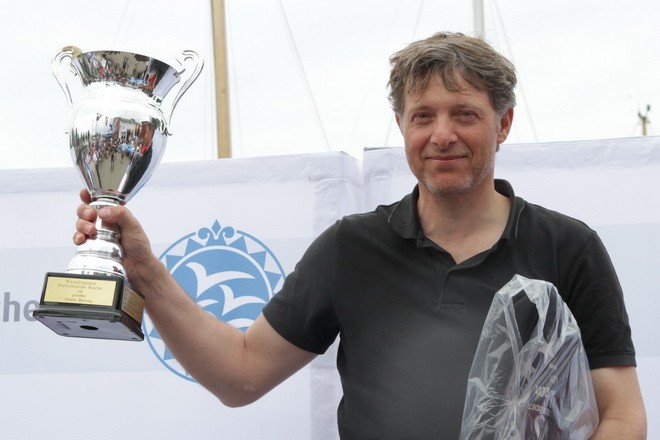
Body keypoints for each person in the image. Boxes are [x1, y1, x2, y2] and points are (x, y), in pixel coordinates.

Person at [74, 32, 647, 439]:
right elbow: (240, 375)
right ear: (401, 125)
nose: (442, 134)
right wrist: (144, 270)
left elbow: (622, 415)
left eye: (464, 114)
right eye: (423, 116)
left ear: (503, 123)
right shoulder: (352, 248)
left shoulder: (569, 248)